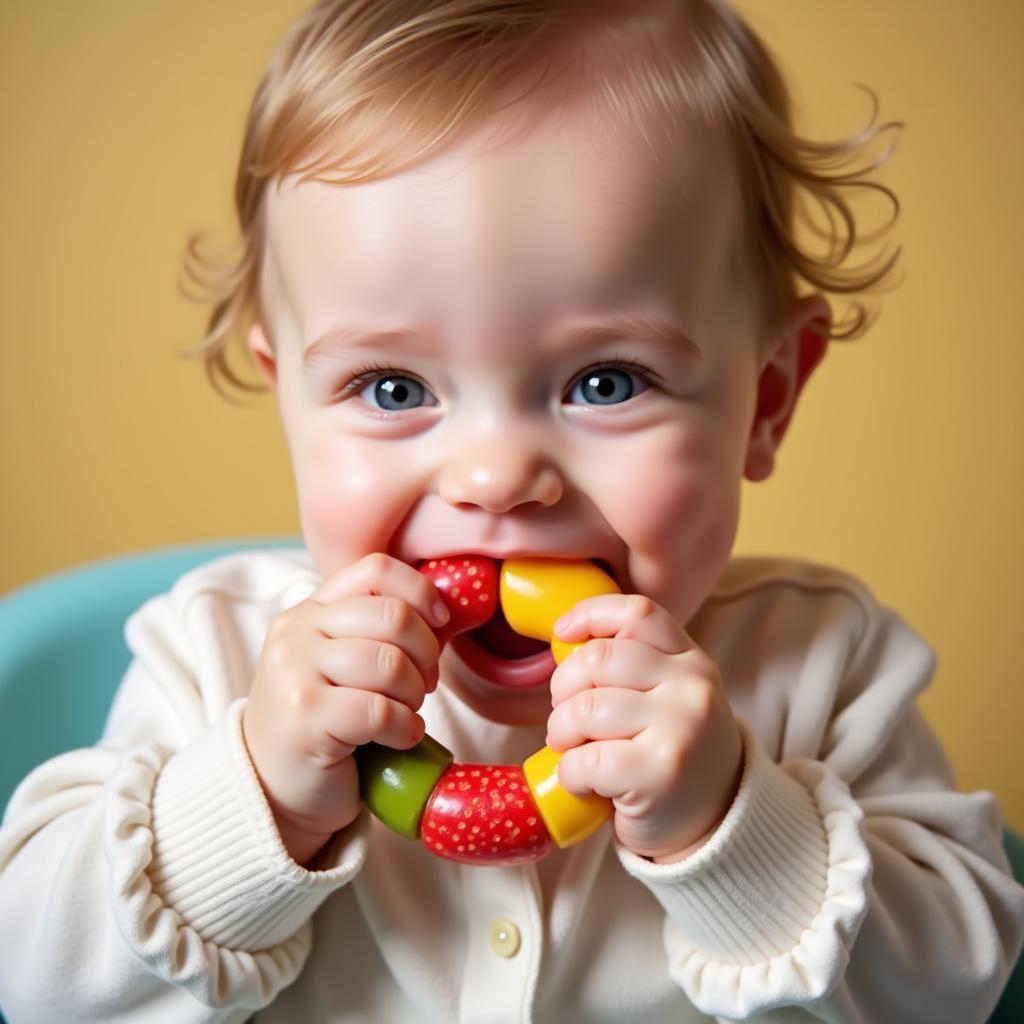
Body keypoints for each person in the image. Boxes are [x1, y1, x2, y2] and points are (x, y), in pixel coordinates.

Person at [1, 0, 1022, 1020]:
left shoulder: (825, 667)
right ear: (289, 403)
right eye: (394, 389)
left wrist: (733, 828)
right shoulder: (213, 651)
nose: (492, 478)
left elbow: (959, 988)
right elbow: (32, 981)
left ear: (764, 400)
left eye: (607, 381)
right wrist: (252, 798)